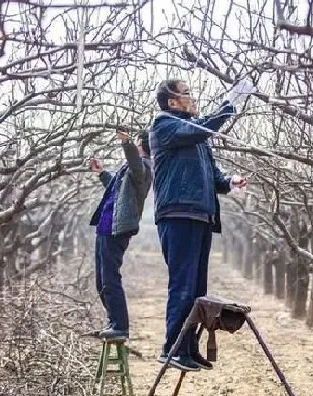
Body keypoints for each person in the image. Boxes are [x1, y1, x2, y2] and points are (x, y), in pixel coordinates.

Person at [149, 79, 250, 371]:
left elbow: (214, 176)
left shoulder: (195, 138)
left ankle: (189, 348)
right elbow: (202, 128)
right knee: (182, 286)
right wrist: (229, 106)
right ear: (172, 102)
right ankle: (173, 348)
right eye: (188, 93)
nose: (193, 98)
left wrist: (231, 181)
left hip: (201, 214)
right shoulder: (164, 125)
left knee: (197, 290)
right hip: (179, 213)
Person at [89, 130, 153, 341]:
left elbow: (135, 162)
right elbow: (117, 190)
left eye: (135, 142)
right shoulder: (131, 170)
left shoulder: (143, 168)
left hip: (116, 229)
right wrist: (101, 173)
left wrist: (126, 144)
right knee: (102, 281)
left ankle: (120, 327)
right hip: (105, 226)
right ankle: (113, 322)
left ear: (141, 145)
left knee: (110, 278)